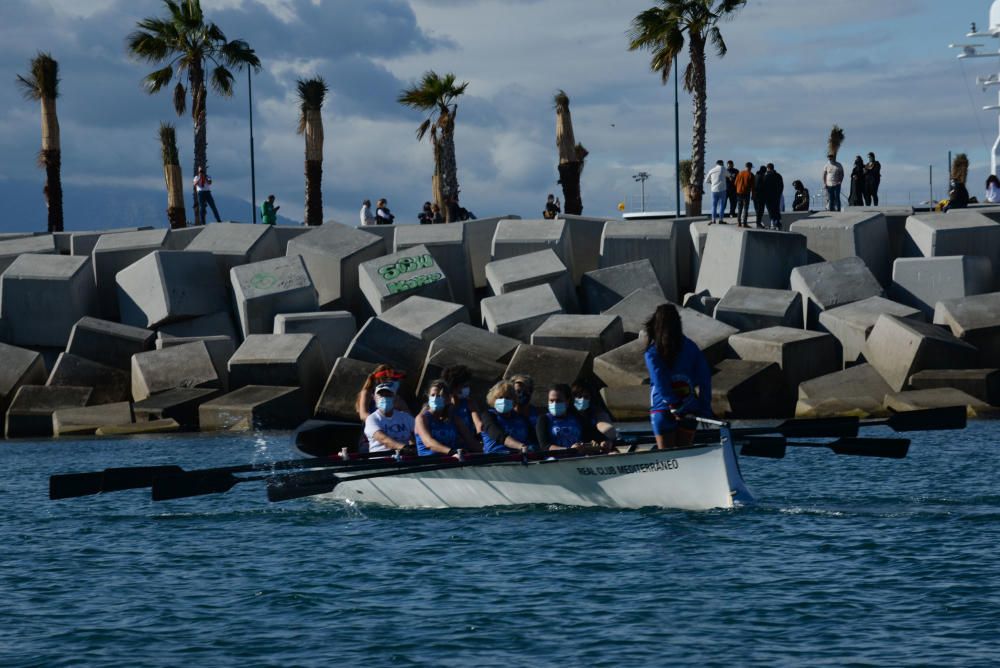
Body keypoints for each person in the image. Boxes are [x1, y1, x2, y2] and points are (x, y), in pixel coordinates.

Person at [643, 303, 713, 450]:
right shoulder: (691, 347)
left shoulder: (652, 352)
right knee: (684, 456)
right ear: (678, 323)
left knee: (667, 457)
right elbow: (705, 379)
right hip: (690, 409)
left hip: (663, 409)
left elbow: (660, 381)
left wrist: (674, 405)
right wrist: (705, 409)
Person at [535, 384, 610, 453]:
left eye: (558, 401)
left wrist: (604, 442)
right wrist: (569, 450)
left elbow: (598, 436)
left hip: (579, 459)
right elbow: (545, 446)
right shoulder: (543, 420)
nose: (554, 404)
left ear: (567, 401)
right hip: (555, 460)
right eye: (551, 401)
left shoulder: (578, 418)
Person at [415, 379, 477, 456]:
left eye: (439, 396)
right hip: (429, 463)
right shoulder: (421, 418)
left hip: (450, 461)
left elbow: (471, 442)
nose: (435, 398)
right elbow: (429, 443)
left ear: (448, 399)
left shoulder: (454, 418)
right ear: (428, 397)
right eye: (432, 395)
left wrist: (490, 451)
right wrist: (452, 452)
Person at [480, 380, 535, 454]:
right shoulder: (488, 416)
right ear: (493, 399)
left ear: (514, 400)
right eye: (500, 397)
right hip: (495, 458)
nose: (503, 400)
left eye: (507, 397)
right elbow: (498, 435)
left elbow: (533, 438)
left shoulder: (521, 418)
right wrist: (521, 446)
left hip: (519, 458)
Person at [364, 382, 415, 453]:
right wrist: (404, 448)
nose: (384, 398)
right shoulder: (372, 419)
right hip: (381, 460)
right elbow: (383, 439)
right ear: (375, 398)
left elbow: (418, 433)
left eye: (388, 395)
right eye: (381, 395)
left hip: (404, 458)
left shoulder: (405, 417)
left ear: (394, 397)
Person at [441, 364, 483, 437]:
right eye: (464, 386)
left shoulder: (469, 403)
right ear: (455, 386)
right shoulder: (443, 404)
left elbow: (478, 423)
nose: (467, 389)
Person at [762, 163, 784, 230]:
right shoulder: (778, 176)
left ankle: (773, 223)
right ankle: (778, 223)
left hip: (768, 197)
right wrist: (779, 193)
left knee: (770, 210)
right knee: (776, 209)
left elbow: (763, 187)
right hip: (777, 196)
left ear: (768, 168)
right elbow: (781, 186)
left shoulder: (766, 176)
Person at [704, 160, 727, 224]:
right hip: (722, 190)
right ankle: (720, 220)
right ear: (722, 163)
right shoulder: (723, 168)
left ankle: (713, 220)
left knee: (714, 206)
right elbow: (729, 175)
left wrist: (712, 182)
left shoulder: (711, 170)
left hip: (714, 190)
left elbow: (706, 180)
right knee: (722, 206)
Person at [734, 162, 755, 228]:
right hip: (746, 193)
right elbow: (753, 186)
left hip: (739, 193)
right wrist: (753, 195)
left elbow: (735, 183)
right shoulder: (751, 174)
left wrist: (738, 188)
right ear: (750, 167)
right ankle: (744, 223)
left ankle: (739, 223)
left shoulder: (740, 173)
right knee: (746, 208)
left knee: (739, 208)